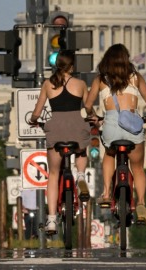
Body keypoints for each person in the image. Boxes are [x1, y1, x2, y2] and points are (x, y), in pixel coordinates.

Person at [84, 43, 146, 225]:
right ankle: (141, 203)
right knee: (138, 168)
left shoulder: (100, 80)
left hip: (110, 126)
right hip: (133, 127)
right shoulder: (135, 78)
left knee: (109, 154)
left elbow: (87, 105)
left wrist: (93, 116)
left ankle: (107, 192)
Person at [29, 50, 90, 234]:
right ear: (72, 66)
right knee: (81, 149)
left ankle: (52, 220)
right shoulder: (80, 84)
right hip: (76, 126)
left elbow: (38, 110)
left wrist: (33, 120)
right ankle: (80, 175)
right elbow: (88, 108)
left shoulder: (48, 84)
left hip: (55, 128)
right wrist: (94, 117)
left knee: (54, 174)